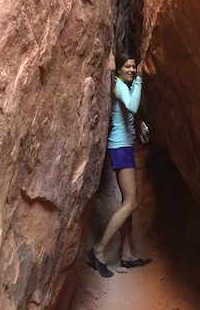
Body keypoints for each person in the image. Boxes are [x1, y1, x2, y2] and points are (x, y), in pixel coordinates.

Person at [87, 52, 152, 278]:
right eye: (128, 67)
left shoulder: (124, 84)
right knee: (132, 203)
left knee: (128, 201)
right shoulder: (120, 86)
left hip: (125, 148)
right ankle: (99, 250)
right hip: (121, 149)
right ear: (120, 69)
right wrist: (141, 79)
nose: (132, 70)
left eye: (134, 67)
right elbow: (133, 106)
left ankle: (127, 254)